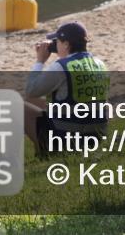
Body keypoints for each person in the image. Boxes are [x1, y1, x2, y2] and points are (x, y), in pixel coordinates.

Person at [23, 21, 109, 157]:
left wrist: (40, 61)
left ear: (66, 44)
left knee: (18, 105)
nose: (55, 45)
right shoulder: (100, 64)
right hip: (96, 137)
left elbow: (31, 90)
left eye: (57, 42)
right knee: (35, 102)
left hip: (69, 141)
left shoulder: (61, 66)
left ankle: (46, 152)